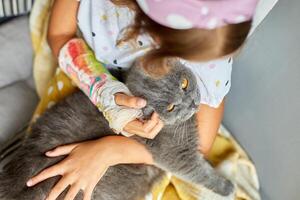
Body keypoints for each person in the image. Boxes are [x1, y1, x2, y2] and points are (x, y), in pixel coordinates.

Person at [26, 0, 259, 199]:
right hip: (89, 77)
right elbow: (59, 35)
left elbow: (201, 145)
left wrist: (109, 151)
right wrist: (104, 92)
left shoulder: (213, 41)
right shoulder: (106, 13)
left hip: (150, 142)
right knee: (44, 164)